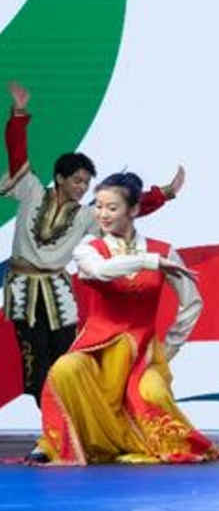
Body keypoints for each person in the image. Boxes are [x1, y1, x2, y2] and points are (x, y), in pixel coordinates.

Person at [2, 80, 181, 408]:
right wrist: (19, 113)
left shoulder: (86, 216)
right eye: (78, 180)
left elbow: (124, 205)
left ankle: (69, 430)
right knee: (36, 365)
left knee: (67, 361)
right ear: (59, 178)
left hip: (58, 291)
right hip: (24, 290)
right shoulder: (30, 191)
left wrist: (162, 194)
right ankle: (53, 432)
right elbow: (16, 155)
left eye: (87, 182)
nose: (84, 188)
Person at [35, 173, 219, 465]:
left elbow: (192, 302)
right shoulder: (89, 249)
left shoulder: (164, 250)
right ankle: (55, 443)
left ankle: (141, 441)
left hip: (142, 356)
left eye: (112, 208)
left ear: (133, 210)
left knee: (154, 392)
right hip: (95, 353)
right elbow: (98, 272)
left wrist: (168, 348)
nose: (102, 214)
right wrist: (148, 261)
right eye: (98, 206)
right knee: (64, 368)